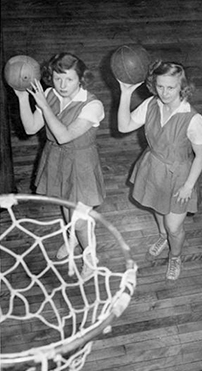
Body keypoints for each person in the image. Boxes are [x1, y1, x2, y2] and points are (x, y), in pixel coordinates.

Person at [13, 52, 106, 278]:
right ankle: (73, 240)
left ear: (81, 79)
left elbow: (64, 136)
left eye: (69, 79)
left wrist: (44, 106)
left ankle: (90, 257)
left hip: (80, 164)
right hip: (55, 160)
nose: (62, 85)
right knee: (66, 210)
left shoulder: (92, 105)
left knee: (80, 221)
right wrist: (23, 98)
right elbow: (30, 128)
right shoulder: (49, 94)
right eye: (57, 78)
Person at [117, 61, 202, 280]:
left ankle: (175, 256)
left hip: (179, 175)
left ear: (182, 87)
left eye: (171, 87)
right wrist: (125, 94)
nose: (165, 93)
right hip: (153, 166)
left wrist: (188, 186)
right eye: (160, 86)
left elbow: (201, 155)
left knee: (174, 226)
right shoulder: (151, 104)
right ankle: (162, 235)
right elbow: (123, 126)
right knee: (157, 207)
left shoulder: (193, 119)